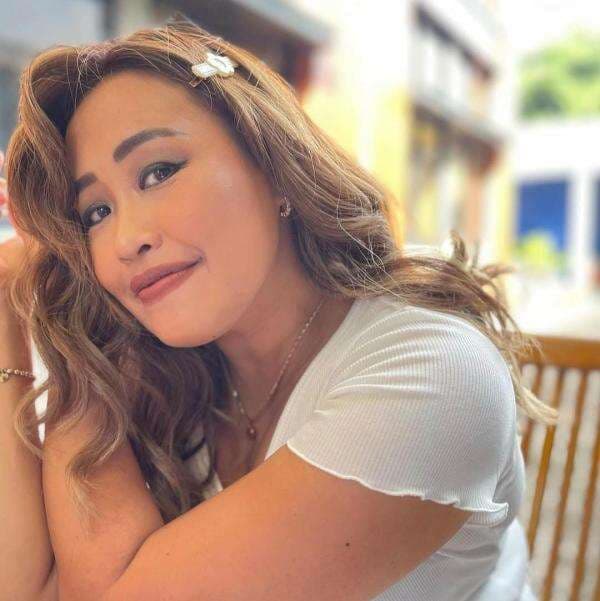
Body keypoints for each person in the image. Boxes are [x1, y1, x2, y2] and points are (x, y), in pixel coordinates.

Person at [0, 15, 557, 601]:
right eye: (94, 213)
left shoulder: (430, 376)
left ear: (274, 168)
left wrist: (72, 345)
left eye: (159, 172)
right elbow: (26, 587)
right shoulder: (171, 376)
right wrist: (12, 304)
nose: (125, 240)